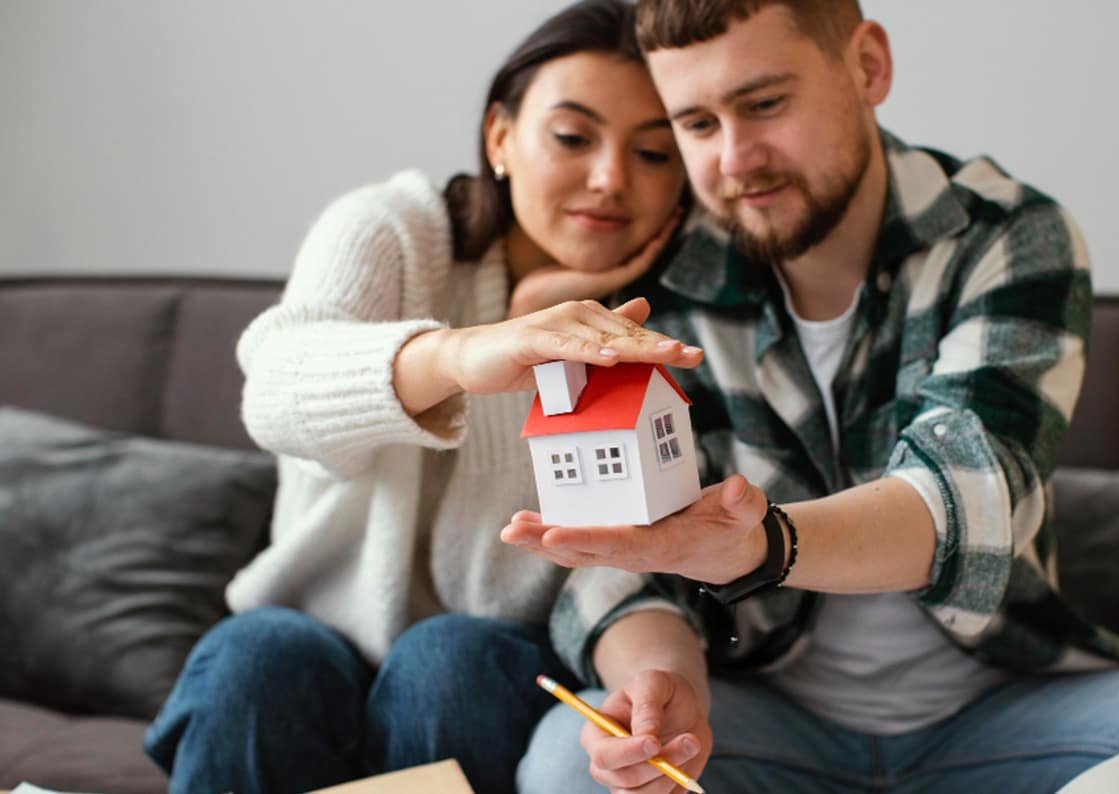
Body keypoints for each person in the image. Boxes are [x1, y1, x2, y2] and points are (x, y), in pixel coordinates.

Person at [507, 2, 1119, 792]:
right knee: (571, 762)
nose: (736, 159)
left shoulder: (1008, 235)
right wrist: (670, 691)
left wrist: (762, 542)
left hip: (1008, 705)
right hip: (764, 711)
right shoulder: (662, 275)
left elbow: (967, 496)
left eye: (765, 104)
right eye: (696, 125)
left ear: (868, 66)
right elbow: (627, 561)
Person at [141, 2, 702, 793]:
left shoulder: (670, 326)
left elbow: (633, 560)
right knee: (256, 656)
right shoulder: (394, 230)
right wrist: (470, 350)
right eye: (573, 137)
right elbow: (275, 390)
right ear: (500, 137)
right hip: (305, 645)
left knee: (449, 658)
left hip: (488, 671)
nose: (611, 178)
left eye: (652, 151)